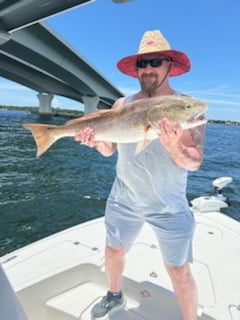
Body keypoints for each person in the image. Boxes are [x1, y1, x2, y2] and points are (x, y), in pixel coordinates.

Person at [74, 30, 205, 320]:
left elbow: (194, 162)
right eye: (142, 64)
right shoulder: (122, 104)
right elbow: (109, 148)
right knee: (114, 251)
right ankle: (114, 294)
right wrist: (95, 141)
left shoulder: (186, 108)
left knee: (179, 271)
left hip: (168, 204)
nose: (147, 69)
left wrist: (173, 147)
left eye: (155, 61)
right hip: (124, 196)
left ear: (169, 65)